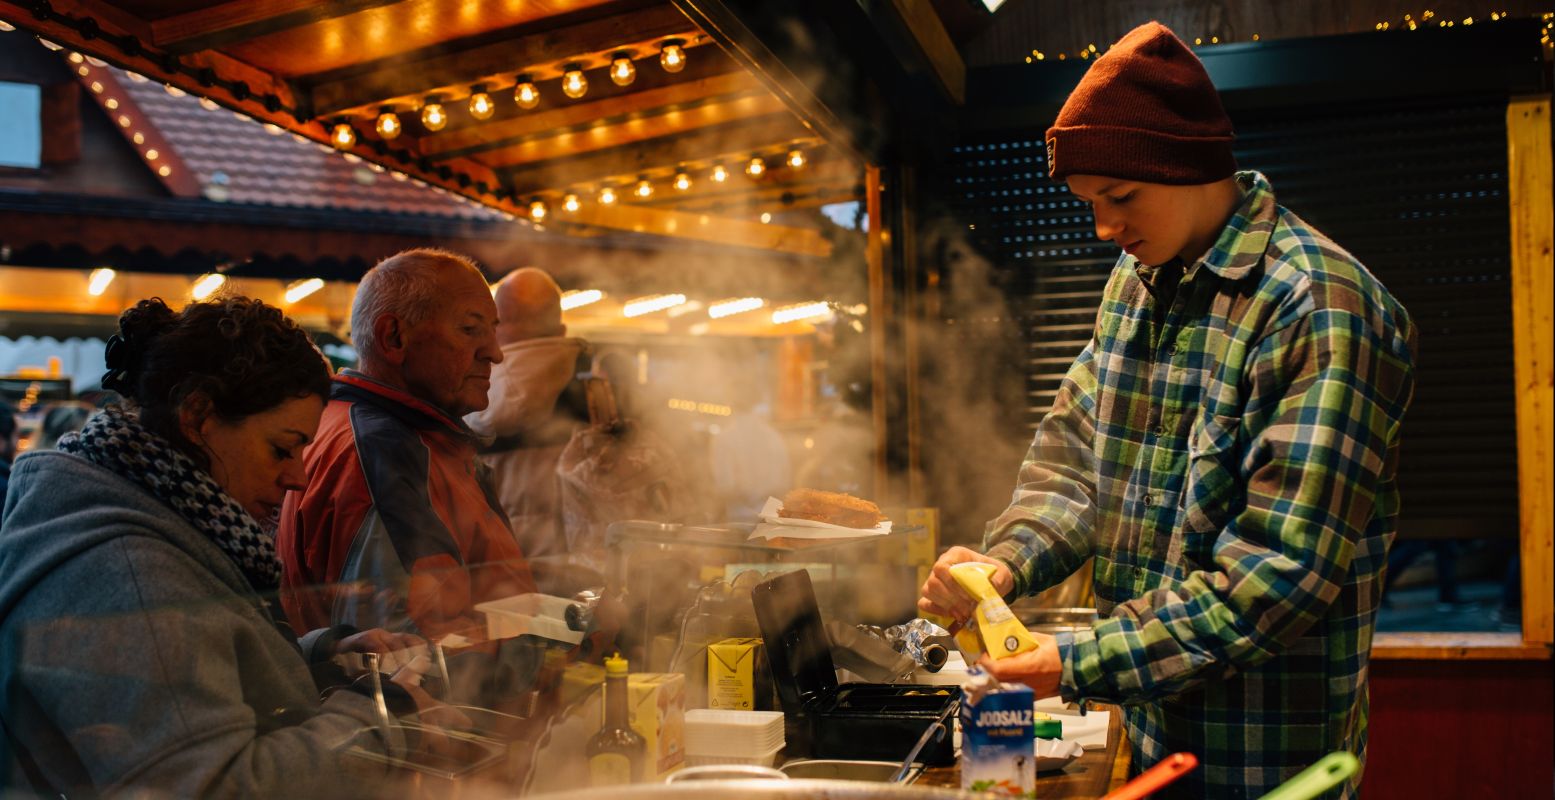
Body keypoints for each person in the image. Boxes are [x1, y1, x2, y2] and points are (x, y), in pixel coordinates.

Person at [918, 22, 1416, 799]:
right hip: (1149, 735)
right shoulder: (1137, 282)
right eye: (1088, 202)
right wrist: (1004, 563)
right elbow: (1075, 458)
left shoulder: (1318, 306)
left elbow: (1275, 575)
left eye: (1119, 197)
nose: (1105, 228)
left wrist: (1077, 662)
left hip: (1265, 760)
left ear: (1190, 166)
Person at [0, 297, 434, 797]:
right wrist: (380, 716)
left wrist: (320, 658)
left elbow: (176, 683)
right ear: (199, 415)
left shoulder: (142, 509)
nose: (297, 476)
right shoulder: (133, 573)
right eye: (281, 447)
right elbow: (212, 786)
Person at [277, 248, 536, 641]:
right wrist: (543, 650)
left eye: (493, 330)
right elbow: (413, 656)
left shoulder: (404, 435)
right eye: (470, 329)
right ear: (393, 337)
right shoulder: (383, 452)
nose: (495, 353)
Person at [463, 268, 589, 572]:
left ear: (496, 327)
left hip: (497, 568)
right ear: (560, 329)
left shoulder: (468, 395)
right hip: (571, 565)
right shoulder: (590, 388)